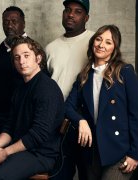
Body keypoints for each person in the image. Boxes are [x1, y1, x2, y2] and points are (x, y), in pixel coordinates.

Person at [0, 37, 64, 180]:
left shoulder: (47, 88)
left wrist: (5, 153)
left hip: (39, 154)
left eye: (26, 56)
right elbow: (9, 127)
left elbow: (38, 135)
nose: (21, 61)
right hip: (18, 147)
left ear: (38, 58)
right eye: (17, 57)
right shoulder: (20, 88)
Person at [65, 25, 138, 180]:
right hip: (91, 151)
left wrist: (135, 154)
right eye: (98, 39)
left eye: (108, 42)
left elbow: (136, 115)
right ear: (92, 42)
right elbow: (67, 107)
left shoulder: (125, 71)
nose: (101, 45)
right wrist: (80, 120)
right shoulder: (84, 76)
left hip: (119, 151)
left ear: (115, 48)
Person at [45, 0, 93, 179]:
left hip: (87, 121)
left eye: (78, 11)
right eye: (67, 10)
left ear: (86, 17)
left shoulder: (96, 42)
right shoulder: (50, 48)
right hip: (58, 122)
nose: (71, 15)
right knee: (60, 174)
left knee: (88, 174)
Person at [0, 6, 27, 141]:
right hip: (0, 114)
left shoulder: (30, 48)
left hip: (19, 115)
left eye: (14, 21)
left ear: (23, 24)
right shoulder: (2, 46)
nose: (9, 25)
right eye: (5, 21)